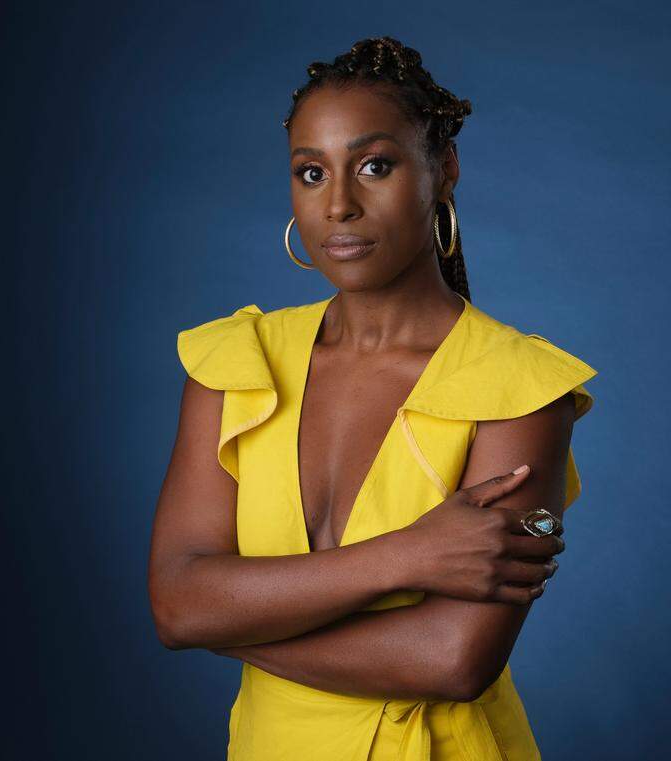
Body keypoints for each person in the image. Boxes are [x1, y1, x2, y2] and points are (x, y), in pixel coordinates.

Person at [148, 36, 598, 761]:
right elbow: (176, 603)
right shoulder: (234, 363)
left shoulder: (522, 389)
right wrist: (405, 556)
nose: (339, 205)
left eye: (374, 166)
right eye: (310, 172)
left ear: (443, 170)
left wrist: (232, 621)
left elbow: (454, 659)